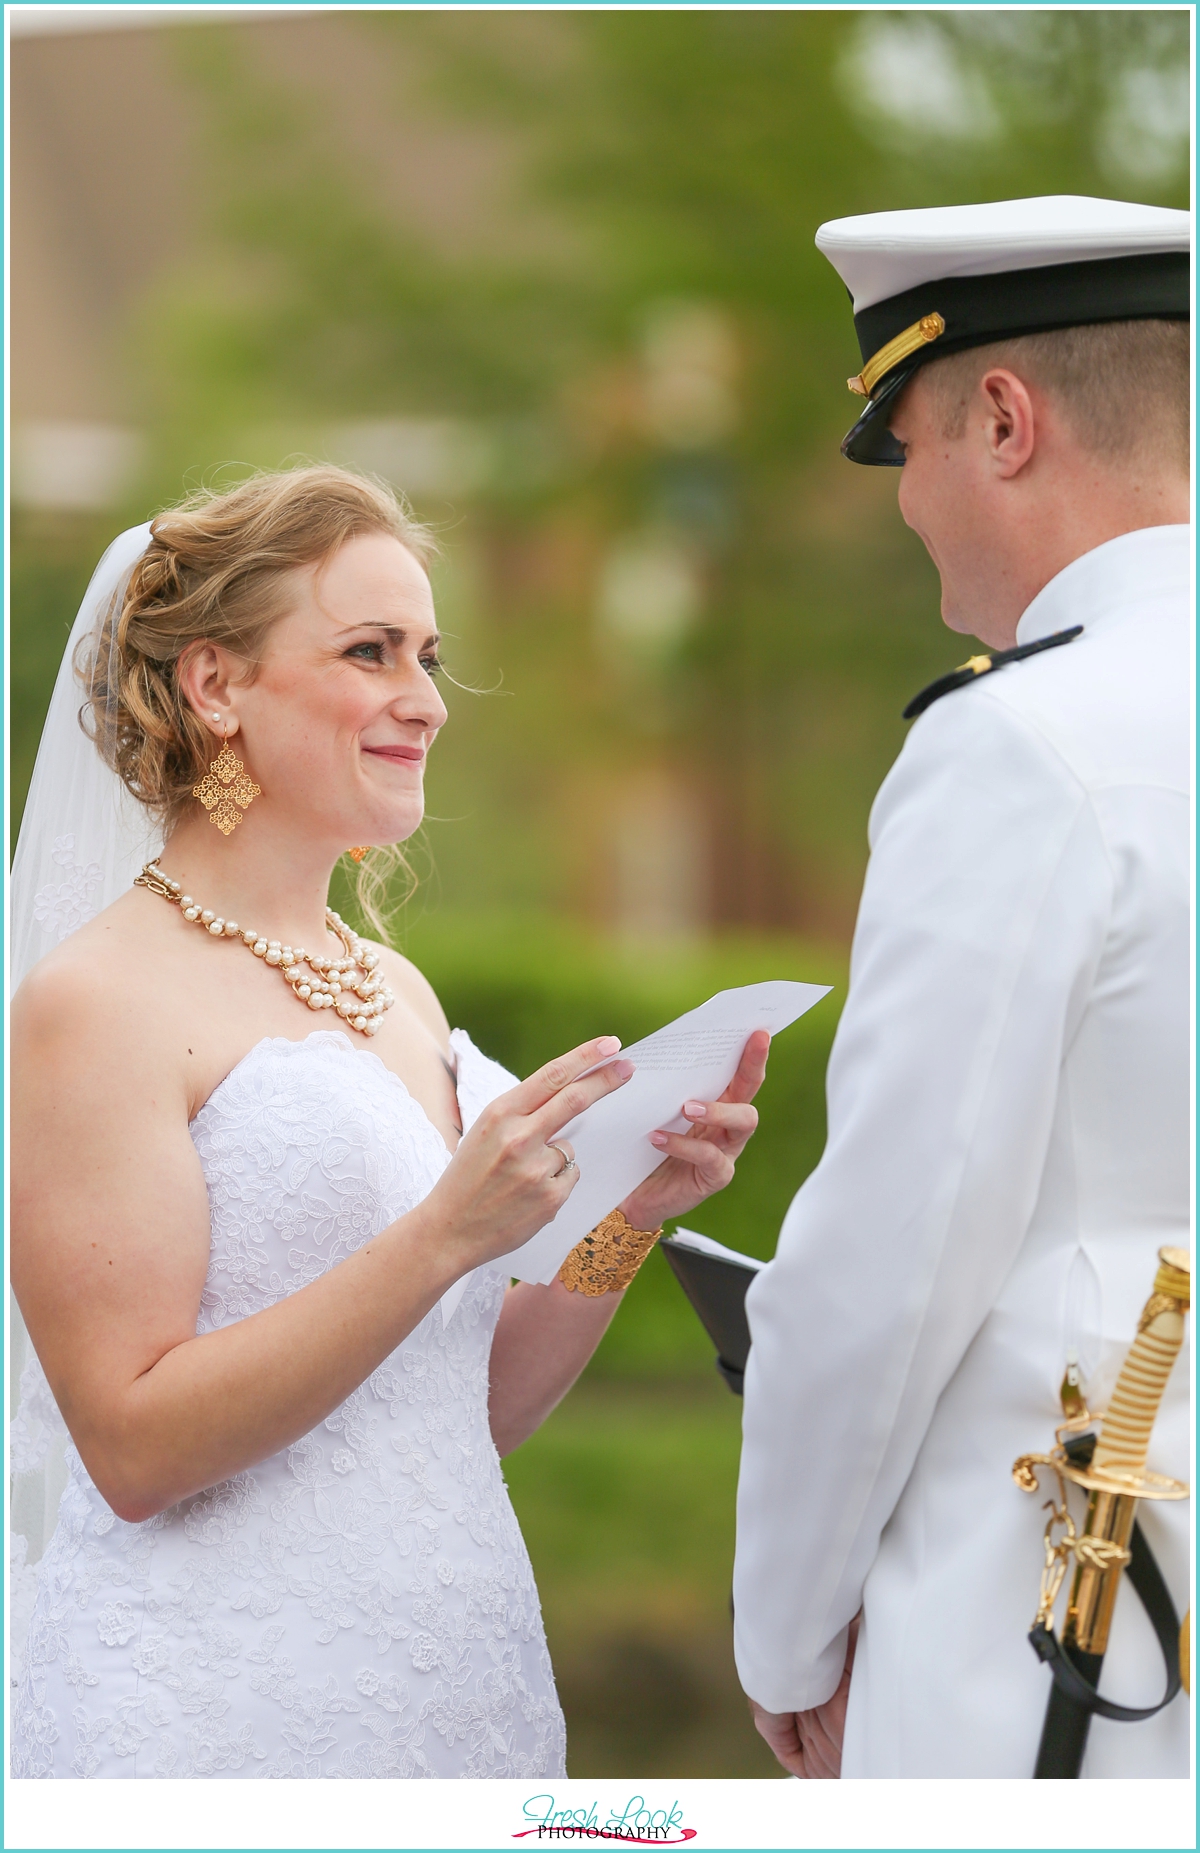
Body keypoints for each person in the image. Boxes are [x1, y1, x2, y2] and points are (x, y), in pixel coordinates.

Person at [9, 466, 769, 1779]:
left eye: (427, 653)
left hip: (447, 1685)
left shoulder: (394, 986)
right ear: (215, 685)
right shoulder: (95, 999)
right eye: (369, 651)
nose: (423, 698)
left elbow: (465, 1409)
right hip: (215, 1710)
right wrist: (437, 1237)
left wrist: (625, 1214)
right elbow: (132, 1446)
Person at [732, 196, 1191, 1778]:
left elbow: (891, 1254)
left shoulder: (1018, 747)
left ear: (1005, 419)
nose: (909, 504)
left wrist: (787, 1628)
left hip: (1079, 1641)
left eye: (906, 445)